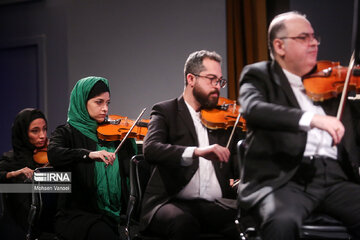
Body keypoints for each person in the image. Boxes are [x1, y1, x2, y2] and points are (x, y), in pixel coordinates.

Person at [238, 11, 360, 240]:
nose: (313, 43)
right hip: (285, 180)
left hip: (334, 178)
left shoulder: (331, 83)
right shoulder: (258, 76)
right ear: (280, 46)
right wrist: (312, 119)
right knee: (281, 223)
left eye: (314, 37)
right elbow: (253, 109)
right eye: (304, 37)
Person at [140, 50, 241, 240]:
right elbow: (151, 149)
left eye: (220, 81)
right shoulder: (165, 111)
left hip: (213, 204)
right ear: (191, 79)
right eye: (211, 79)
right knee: (183, 224)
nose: (218, 86)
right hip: (170, 202)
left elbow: (236, 164)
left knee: (250, 220)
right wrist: (196, 152)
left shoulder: (222, 120)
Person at [48, 76, 137, 240]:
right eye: (99, 102)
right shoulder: (66, 133)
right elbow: (54, 154)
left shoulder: (113, 133)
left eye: (107, 103)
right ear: (82, 102)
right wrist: (88, 154)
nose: (105, 109)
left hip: (115, 214)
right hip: (78, 214)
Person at [0, 108, 48, 238]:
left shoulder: (48, 155)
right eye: (35, 131)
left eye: (44, 129)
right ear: (22, 133)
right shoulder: (10, 159)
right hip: (22, 225)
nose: (43, 135)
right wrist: (14, 174)